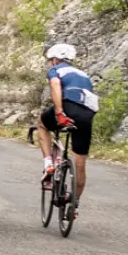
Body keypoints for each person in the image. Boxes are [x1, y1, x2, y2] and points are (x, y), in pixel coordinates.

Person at [39, 43, 99, 218]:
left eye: (51, 60)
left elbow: (56, 86)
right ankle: (74, 203)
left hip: (68, 107)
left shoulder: (56, 70)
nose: (50, 63)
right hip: (87, 114)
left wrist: (59, 112)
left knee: (42, 125)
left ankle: (49, 163)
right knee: (80, 163)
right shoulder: (83, 74)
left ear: (55, 59)